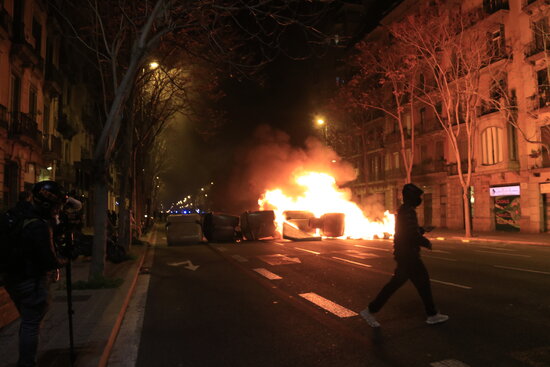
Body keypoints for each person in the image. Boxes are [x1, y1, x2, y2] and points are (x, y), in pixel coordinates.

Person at [360, 183, 448, 327]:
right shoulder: (408, 212)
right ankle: (431, 314)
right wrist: (425, 242)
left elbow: (408, 230)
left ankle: (432, 314)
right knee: (417, 283)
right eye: (418, 196)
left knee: (412, 284)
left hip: (406, 254)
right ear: (412, 197)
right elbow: (410, 234)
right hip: (408, 255)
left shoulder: (405, 210)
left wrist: (422, 229)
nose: (420, 199)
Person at [3, 181, 67, 366]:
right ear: (47, 204)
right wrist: (64, 260)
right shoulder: (38, 225)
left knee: (28, 321)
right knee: (31, 324)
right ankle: (26, 363)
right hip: (31, 279)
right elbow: (48, 259)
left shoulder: (15, 214)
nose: (57, 211)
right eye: (56, 207)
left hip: (12, 278)